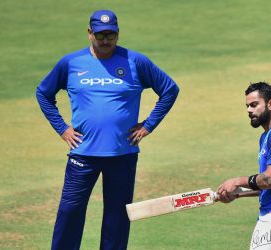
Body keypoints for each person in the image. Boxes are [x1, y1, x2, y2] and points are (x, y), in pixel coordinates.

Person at [36, 9, 179, 250]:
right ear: (89, 33)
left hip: (122, 155)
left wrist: (148, 125)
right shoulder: (71, 63)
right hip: (82, 154)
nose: (105, 40)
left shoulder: (135, 62)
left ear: (118, 34)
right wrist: (62, 128)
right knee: (69, 212)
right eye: (100, 34)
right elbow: (43, 93)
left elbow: (169, 89)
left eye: (110, 35)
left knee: (117, 217)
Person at [215, 82, 271, 250]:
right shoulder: (266, 136)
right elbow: (270, 184)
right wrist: (238, 194)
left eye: (254, 105)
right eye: (247, 106)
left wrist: (237, 181)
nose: (249, 110)